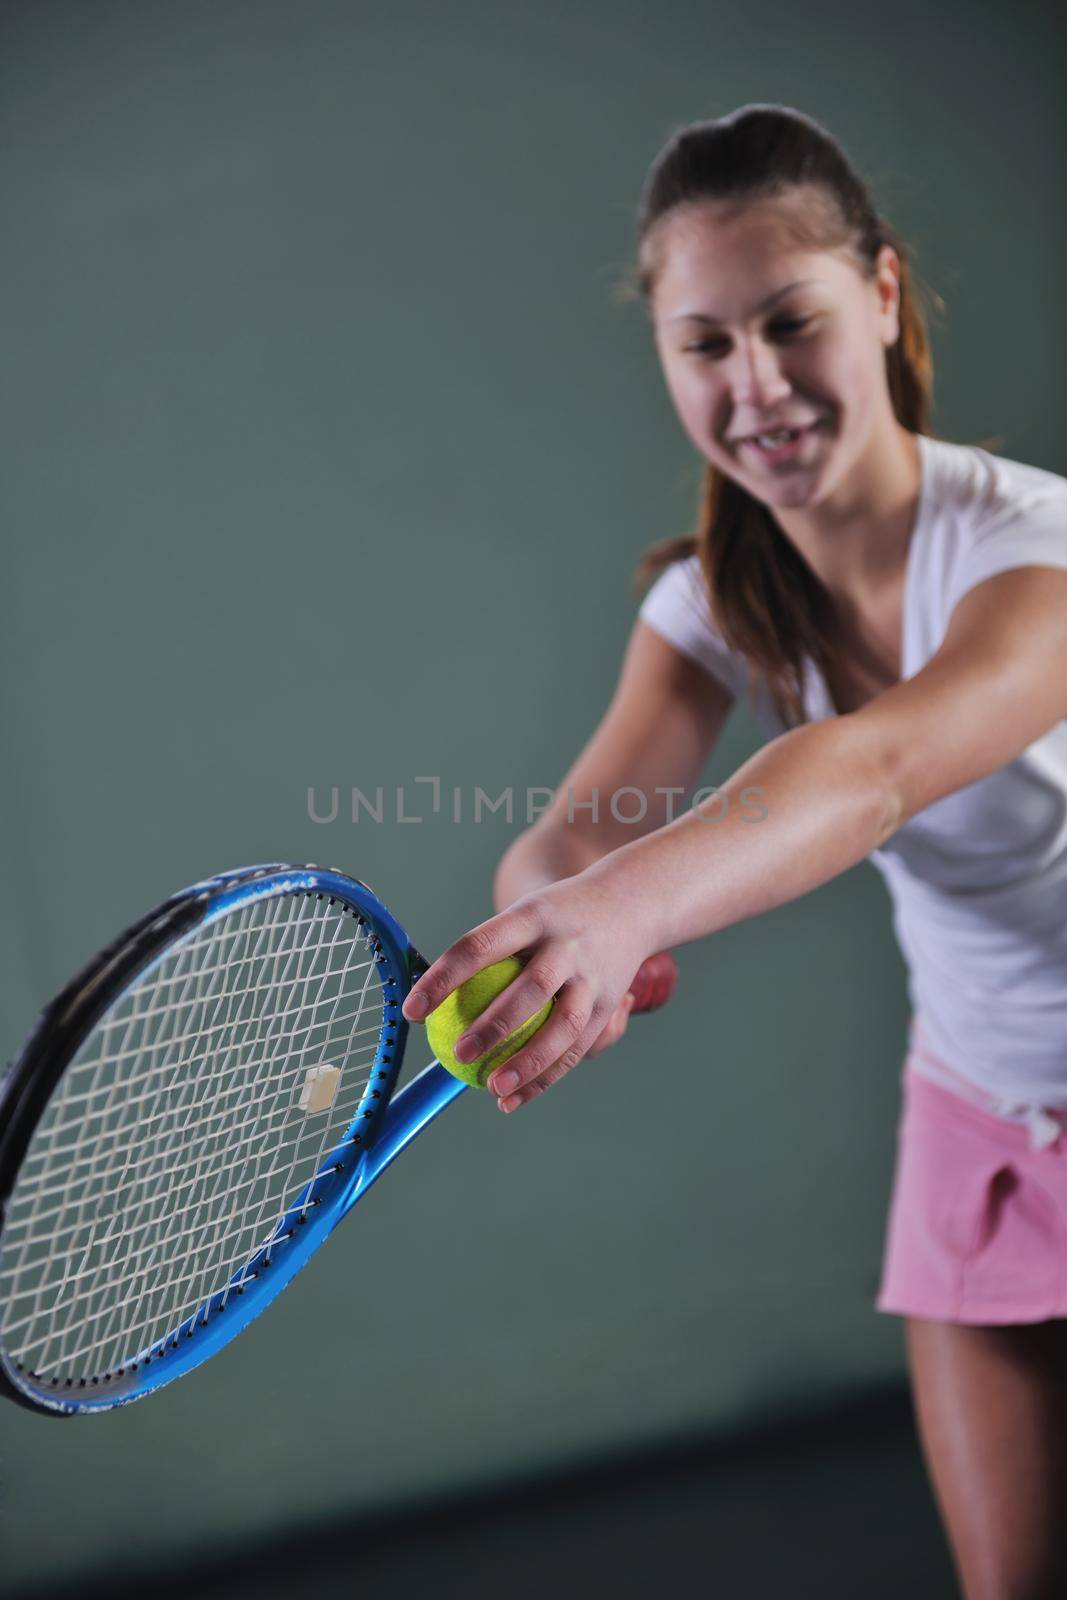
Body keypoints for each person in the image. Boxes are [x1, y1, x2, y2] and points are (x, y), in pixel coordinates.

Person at [402, 105, 1067, 1596]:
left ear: (883, 298)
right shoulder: (708, 603)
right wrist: (557, 936)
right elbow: (585, 831)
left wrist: (622, 914)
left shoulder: (1037, 551)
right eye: (705, 344)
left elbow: (876, 771)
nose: (755, 385)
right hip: (977, 1111)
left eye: (792, 322)